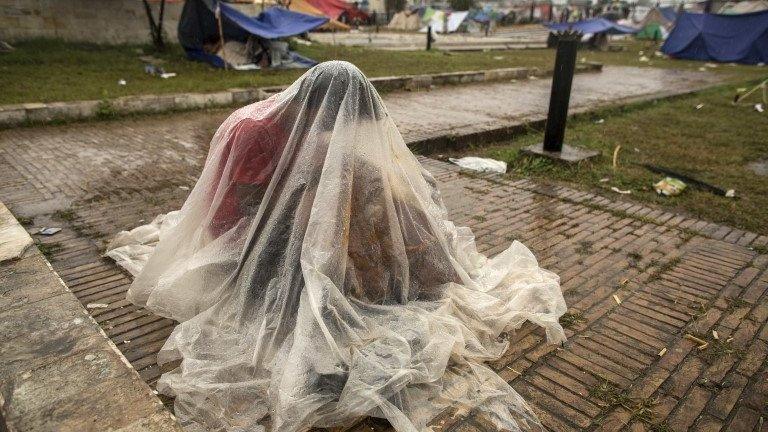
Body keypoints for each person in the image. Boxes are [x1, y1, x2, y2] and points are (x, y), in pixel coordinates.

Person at [108, 61, 567, 432]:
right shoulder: (255, 131)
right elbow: (248, 212)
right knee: (350, 217)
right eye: (337, 124)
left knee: (381, 199)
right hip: (239, 242)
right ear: (319, 107)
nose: (337, 132)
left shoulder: (302, 122)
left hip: (268, 225)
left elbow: (336, 185)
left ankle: (413, 274)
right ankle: (373, 291)